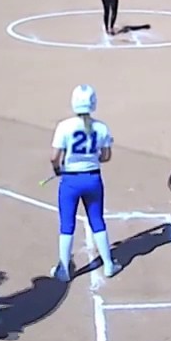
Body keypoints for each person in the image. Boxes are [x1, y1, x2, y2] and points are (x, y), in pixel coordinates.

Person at [49, 85, 120, 281]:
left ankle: (64, 269)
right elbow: (106, 156)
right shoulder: (102, 127)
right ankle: (108, 264)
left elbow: (54, 156)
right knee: (97, 221)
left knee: (67, 225)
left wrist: (58, 169)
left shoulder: (64, 126)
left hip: (70, 181)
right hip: (93, 179)